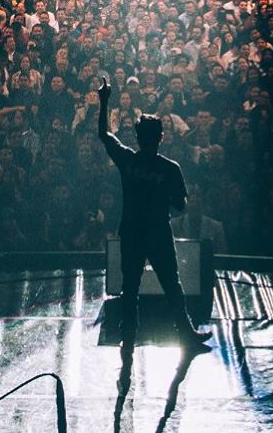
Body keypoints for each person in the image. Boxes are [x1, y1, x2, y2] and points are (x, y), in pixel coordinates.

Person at [96, 79, 209, 348]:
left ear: (138, 137)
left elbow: (104, 134)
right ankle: (185, 333)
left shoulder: (129, 160)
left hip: (135, 231)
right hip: (157, 232)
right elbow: (181, 205)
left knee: (131, 286)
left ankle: (128, 333)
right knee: (172, 284)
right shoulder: (170, 168)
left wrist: (104, 102)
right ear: (161, 137)